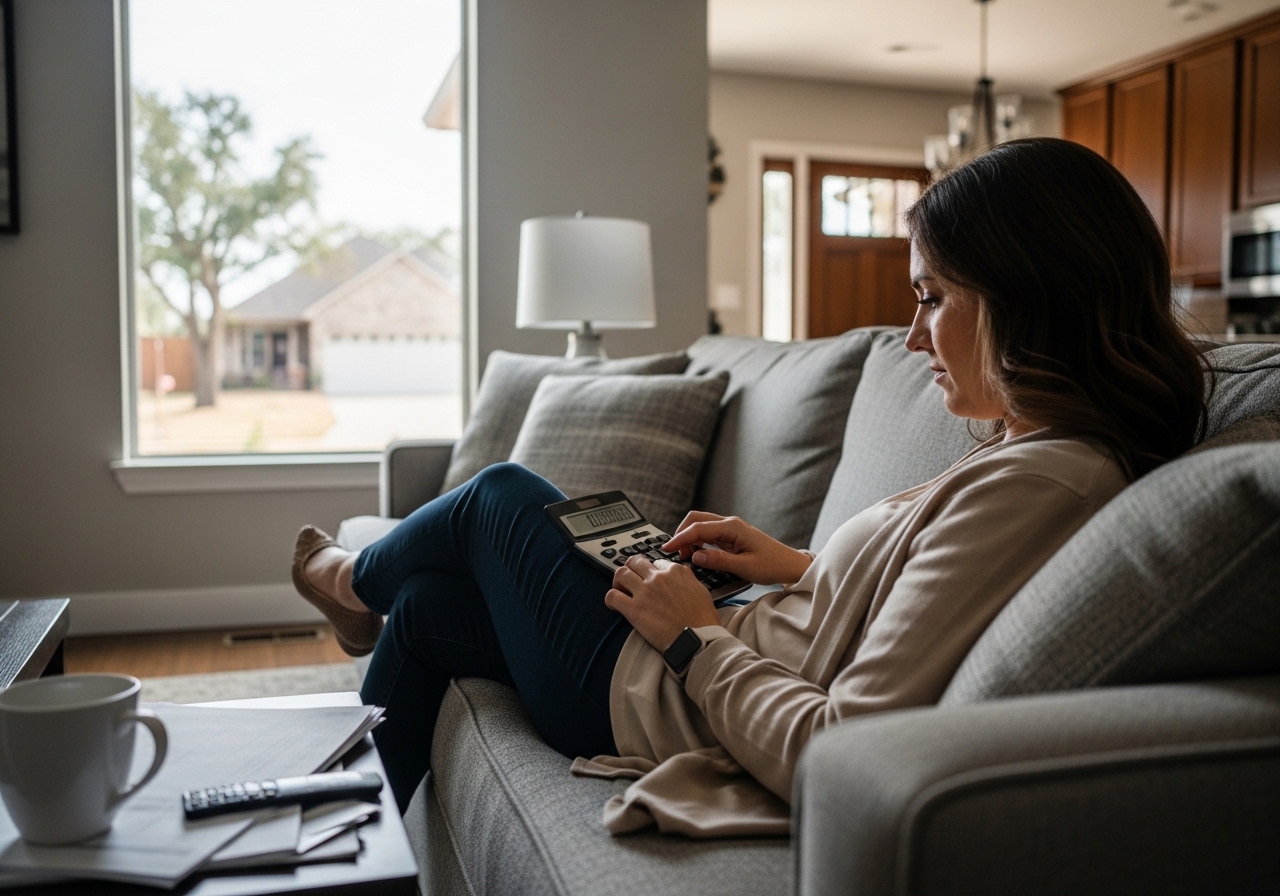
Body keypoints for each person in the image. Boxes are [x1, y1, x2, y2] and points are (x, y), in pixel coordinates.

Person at [291, 138, 1208, 835]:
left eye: (932, 297)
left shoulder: (1045, 484)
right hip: (686, 659)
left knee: (498, 496)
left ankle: (349, 582)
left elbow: (841, 747)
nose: (911, 336)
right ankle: (334, 844)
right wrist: (795, 564)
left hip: (660, 692)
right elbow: (917, 600)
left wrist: (691, 634)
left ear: (1027, 296)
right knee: (429, 605)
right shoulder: (1035, 451)